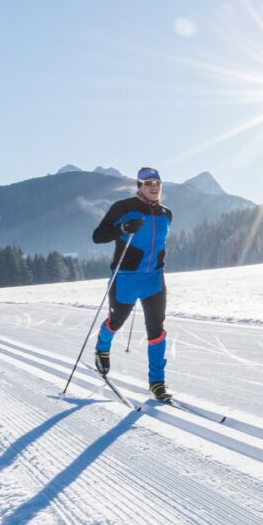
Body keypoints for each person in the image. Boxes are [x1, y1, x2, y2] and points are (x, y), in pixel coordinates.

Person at [92, 167, 174, 402]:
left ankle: (157, 383)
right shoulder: (123, 208)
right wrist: (122, 229)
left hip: (154, 279)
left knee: (156, 329)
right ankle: (102, 347)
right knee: (116, 321)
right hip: (126, 278)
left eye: (157, 182)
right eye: (148, 183)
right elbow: (98, 236)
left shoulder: (166, 213)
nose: (154, 187)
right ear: (139, 186)